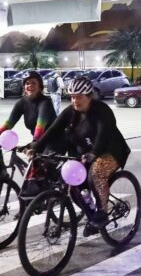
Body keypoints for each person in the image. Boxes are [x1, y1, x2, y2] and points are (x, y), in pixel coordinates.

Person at [29, 77, 131, 235]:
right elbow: (53, 130)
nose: (75, 101)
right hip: (85, 153)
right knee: (74, 188)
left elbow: (103, 134)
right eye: (72, 97)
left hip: (110, 150)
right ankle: (92, 217)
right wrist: (35, 147)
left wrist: (94, 153)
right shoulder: (70, 112)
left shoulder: (102, 110)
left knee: (96, 173)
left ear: (89, 96)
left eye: (79, 97)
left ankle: (102, 213)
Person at [0, 70, 56, 142]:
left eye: (34, 83)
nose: (30, 85)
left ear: (40, 87)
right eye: (27, 83)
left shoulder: (45, 102)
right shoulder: (21, 102)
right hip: (40, 141)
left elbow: (40, 127)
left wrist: (34, 144)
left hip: (54, 140)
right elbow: (9, 124)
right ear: (24, 88)